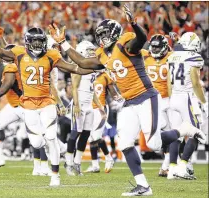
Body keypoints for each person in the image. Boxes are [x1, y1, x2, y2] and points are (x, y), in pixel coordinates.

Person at [48, 4, 206, 196]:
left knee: (155, 144)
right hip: (129, 102)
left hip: (147, 96)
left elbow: (141, 38)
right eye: (100, 35)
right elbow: (81, 63)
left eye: (106, 34)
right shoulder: (101, 55)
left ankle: (185, 130)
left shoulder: (126, 42)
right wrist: (63, 42)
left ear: (114, 33)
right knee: (125, 143)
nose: (102, 38)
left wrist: (133, 23)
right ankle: (143, 186)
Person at [0, 20, 94, 187]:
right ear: (27, 42)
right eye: (34, 41)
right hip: (27, 104)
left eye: (40, 41)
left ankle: (55, 175)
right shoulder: (18, 53)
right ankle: (60, 151)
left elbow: (75, 68)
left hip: (46, 103)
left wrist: (99, 67)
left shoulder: (52, 55)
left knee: (50, 137)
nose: (37, 44)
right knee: (37, 143)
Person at [167, 32, 208, 180]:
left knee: (176, 135)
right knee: (195, 132)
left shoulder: (172, 56)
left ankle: (171, 169)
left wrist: (172, 99)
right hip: (186, 98)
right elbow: (196, 83)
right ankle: (183, 166)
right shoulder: (194, 57)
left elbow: (168, 81)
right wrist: (204, 102)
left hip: (174, 98)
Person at [65, 41, 106, 176]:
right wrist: (76, 105)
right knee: (75, 133)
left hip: (88, 105)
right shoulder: (77, 66)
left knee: (86, 134)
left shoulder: (93, 67)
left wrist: (99, 105)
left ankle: (77, 163)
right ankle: (68, 162)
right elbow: (74, 88)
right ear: (81, 52)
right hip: (79, 105)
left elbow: (91, 89)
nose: (92, 53)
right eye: (89, 51)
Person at [141, 34, 173, 177]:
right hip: (154, 100)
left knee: (172, 132)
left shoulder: (172, 56)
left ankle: (169, 164)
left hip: (169, 99)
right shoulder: (146, 56)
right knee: (160, 134)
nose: (154, 49)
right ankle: (169, 162)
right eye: (152, 46)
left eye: (157, 47)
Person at [85, 69, 118, 173]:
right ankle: (95, 165)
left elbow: (114, 93)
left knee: (96, 137)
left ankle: (108, 158)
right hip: (89, 109)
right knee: (91, 138)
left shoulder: (105, 75)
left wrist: (120, 100)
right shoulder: (85, 74)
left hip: (101, 109)